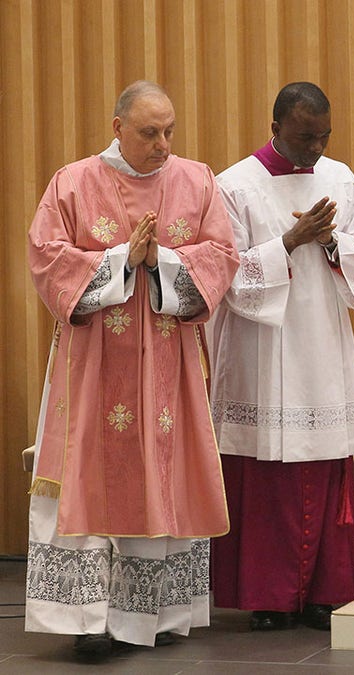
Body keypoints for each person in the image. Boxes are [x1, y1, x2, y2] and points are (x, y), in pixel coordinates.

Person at [24, 80, 240, 660]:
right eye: (149, 132)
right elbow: (46, 259)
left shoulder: (196, 180)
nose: (163, 144)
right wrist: (123, 260)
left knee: (161, 471)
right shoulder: (72, 182)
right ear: (117, 126)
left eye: (169, 130)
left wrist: (162, 261)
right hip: (91, 367)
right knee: (89, 472)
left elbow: (222, 256)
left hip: (167, 363)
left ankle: (159, 614)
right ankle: (88, 620)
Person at [207, 82, 354, 632]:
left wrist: (333, 244)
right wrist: (289, 242)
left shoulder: (340, 178)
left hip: (321, 346)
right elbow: (223, 269)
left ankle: (324, 593)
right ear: (276, 128)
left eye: (324, 135)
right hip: (261, 349)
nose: (317, 147)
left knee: (324, 466)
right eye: (306, 136)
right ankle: (269, 595)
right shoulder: (234, 186)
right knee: (266, 481)